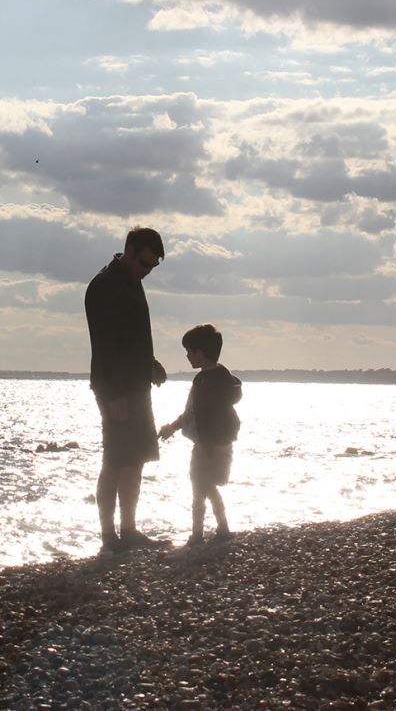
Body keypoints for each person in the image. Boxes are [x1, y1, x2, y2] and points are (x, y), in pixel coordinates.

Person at [85, 227, 169, 553]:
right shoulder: (105, 286)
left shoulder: (132, 282)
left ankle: (129, 530)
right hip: (115, 389)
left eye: (152, 267)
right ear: (130, 250)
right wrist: (115, 393)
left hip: (136, 386)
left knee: (136, 459)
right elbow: (106, 344)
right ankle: (108, 536)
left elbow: (131, 336)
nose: (147, 271)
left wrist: (150, 364)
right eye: (144, 263)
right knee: (116, 460)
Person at [159, 324, 242, 547]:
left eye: (190, 351)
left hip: (214, 444)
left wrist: (210, 444)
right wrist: (173, 427)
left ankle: (210, 531)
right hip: (205, 443)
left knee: (205, 486)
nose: (187, 356)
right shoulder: (202, 380)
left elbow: (211, 416)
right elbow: (191, 412)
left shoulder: (215, 381)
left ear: (201, 352)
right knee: (201, 486)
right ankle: (207, 531)